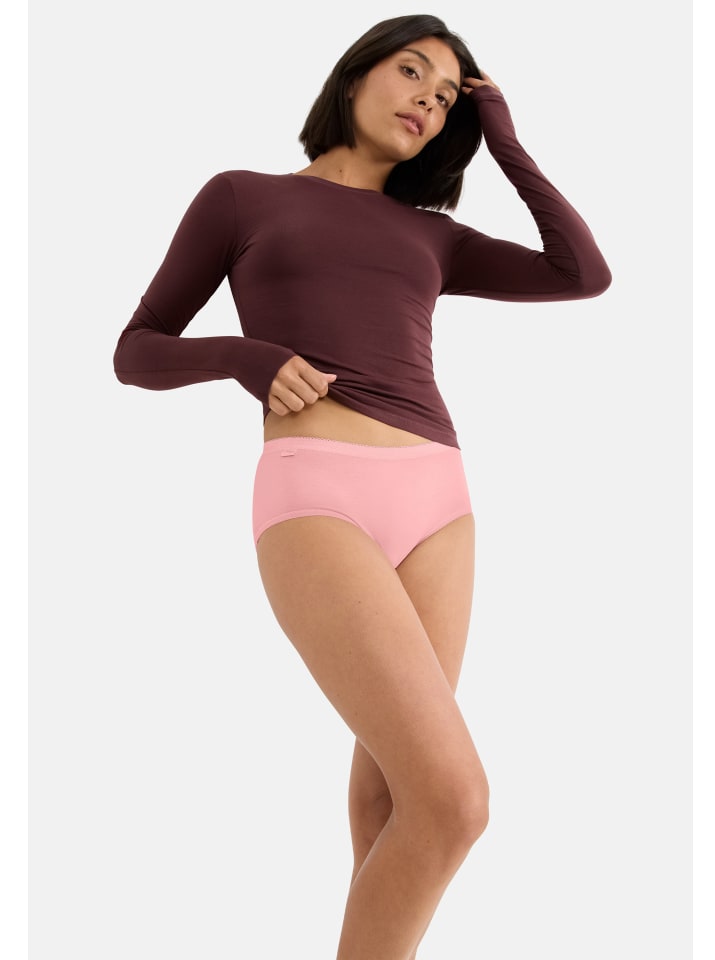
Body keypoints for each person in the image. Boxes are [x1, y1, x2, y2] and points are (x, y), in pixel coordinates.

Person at [113, 13, 611, 959]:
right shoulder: (242, 196)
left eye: (447, 94)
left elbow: (582, 273)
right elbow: (135, 350)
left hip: (440, 500)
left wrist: (503, 136)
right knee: (456, 800)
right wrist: (246, 358)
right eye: (412, 71)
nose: (428, 98)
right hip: (317, 491)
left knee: (395, 795)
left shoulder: (434, 236)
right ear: (355, 76)